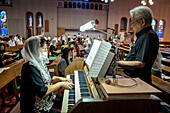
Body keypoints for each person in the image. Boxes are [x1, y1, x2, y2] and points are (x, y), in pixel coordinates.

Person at [20, 36, 74, 113]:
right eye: (44, 49)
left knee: (66, 101)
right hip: (34, 107)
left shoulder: (39, 62)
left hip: (46, 99)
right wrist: (61, 84)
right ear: (35, 50)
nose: (46, 51)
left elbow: (50, 77)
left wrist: (62, 79)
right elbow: (42, 92)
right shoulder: (29, 67)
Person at [117, 6, 159, 84]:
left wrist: (116, 63)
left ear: (142, 22)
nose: (132, 26)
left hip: (139, 81)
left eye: (133, 22)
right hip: (134, 79)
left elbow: (140, 63)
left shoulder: (147, 36)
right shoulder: (144, 35)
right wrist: (130, 42)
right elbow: (137, 53)